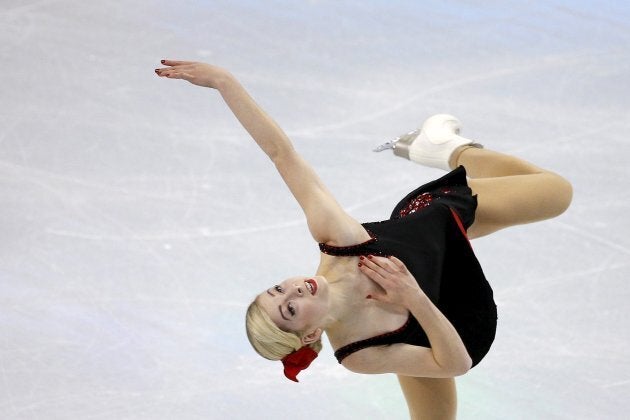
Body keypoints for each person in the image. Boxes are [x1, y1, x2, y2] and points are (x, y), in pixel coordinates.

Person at [155, 60, 572, 419]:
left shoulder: (340, 244)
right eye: (290, 307)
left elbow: (282, 155)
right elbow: (456, 364)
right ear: (307, 336)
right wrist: (412, 297)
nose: (294, 288)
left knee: (556, 193)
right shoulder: (359, 353)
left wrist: (225, 82)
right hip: (445, 324)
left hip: (440, 223)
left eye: (278, 288)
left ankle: (450, 150)